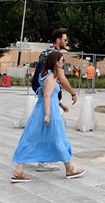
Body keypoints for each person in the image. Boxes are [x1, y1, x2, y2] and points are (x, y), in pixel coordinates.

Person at [10, 51, 85, 182]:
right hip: (49, 112)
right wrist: (48, 115)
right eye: (61, 60)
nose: (63, 62)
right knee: (58, 138)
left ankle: (19, 171)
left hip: (41, 111)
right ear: (55, 62)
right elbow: (46, 96)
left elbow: (48, 95)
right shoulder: (51, 78)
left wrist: (61, 104)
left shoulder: (46, 75)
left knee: (30, 138)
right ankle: (70, 168)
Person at [31, 28, 77, 172]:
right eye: (65, 39)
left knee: (47, 130)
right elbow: (61, 79)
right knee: (55, 130)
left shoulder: (45, 52)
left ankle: (45, 159)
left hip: (44, 95)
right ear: (58, 40)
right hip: (48, 97)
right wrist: (73, 93)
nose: (66, 42)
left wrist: (58, 101)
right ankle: (61, 165)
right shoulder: (55, 55)